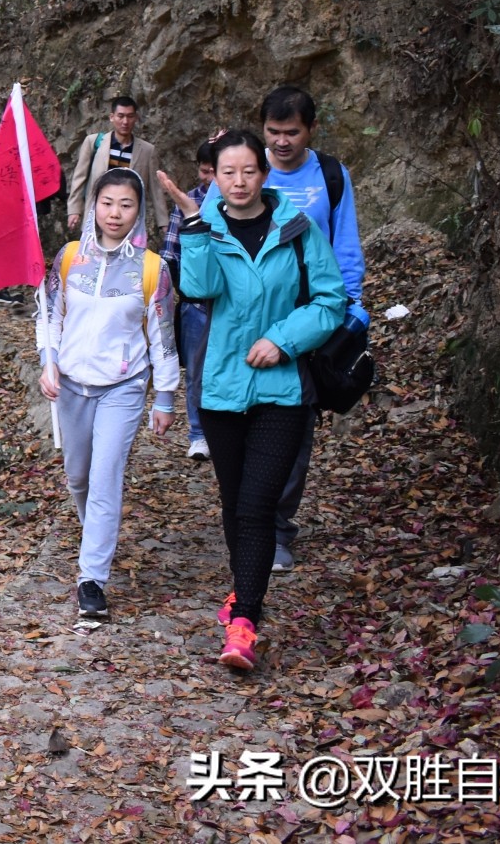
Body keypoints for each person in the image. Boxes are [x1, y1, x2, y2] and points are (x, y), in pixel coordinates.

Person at [160, 130, 345, 670]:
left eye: (247, 171)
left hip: (282, 391)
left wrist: (282, 340)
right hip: (221, 390)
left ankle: (245, 622)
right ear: (213, 178)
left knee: (258, 506)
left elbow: (332, 301)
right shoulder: (208, 224)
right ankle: (245, 584)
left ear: (264, 174)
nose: (238, 182)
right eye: (227, 173)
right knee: (234, 503)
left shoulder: (297, 228)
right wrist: (195, 225)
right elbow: (199, 289)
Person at [36, 169, 181, 620]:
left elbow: (164, 337)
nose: (115, 213)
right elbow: (49, 314)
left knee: (104, 479)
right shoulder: (68, 257)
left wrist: (165, 396)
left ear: (139, 211)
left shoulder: (153, 268)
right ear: (93, 205)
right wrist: (49, 361)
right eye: (107, 203)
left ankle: (91, 580)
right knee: (78, 478)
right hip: (73, 386)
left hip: (124, 386)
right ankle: (96, 536)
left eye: (126, 205)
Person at [260, 85, 368, 571]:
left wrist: (351, 308)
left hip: (311, 320)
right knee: (240, 422)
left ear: (310, 130)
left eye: (292, 133)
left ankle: (278, 528)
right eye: (273, 132)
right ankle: (248, 519)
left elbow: (345, 243)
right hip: (249, 317)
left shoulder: (330, 176)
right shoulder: (244, 169)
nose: (282, 142)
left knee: (296, 425)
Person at [161, 134, 224, 461]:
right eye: (204, 171)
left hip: (230, 304)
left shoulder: (242, 201)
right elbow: (170, 252)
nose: (210, 179)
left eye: (217, 170)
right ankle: (198, 434)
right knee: (196, 371)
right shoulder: (187, 201)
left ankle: (226, 432)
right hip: (194, 304)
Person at [65, 96, 166, 242]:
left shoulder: (146, 150)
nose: (125, 122)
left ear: (136, 118)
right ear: (112, 117)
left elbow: (156, 189)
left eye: (130, 116)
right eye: (121, 116)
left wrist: (163, 221)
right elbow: (79, 178)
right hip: (96, 213)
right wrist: (74, 210)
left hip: (128, 218)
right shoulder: (94, 143)